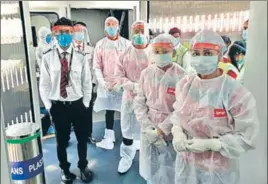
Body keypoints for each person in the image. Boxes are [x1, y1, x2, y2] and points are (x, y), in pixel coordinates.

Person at [171, 30, 259, 184]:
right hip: (186, 164)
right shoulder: (185, 85)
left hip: (217, 169)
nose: (200, 58)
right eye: (196, 53)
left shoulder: (234, 91)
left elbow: (248, 136)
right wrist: (177, 132)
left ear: (219, 55)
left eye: (207, 52)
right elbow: (177, 115)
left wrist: (213, 144)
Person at [39, 17, 93, 183]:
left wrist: (85, 103)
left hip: (78, 105)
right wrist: (49, 106)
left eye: (68, 32)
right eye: (61, 32)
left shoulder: (81, 56)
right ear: (55, 33)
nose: (64, 35)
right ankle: (64, 169)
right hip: (58, 106)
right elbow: (44, 85)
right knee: (61, 141)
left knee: (82, 138)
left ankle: (83, 166)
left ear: (72, 33)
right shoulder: (47, 57)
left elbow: (87, 82)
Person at [134, 33, 185, 184]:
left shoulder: (182, 76)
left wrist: (162, 130)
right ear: (152, 52)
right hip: (149, 129)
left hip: (171, 130)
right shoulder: (146, 73)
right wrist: (148, 127)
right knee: (151, 168)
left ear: (173, 52)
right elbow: (139, 102)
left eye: (165, 51)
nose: (161, 55)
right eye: (157, 51)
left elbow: (182, 109)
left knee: (171, 169)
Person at [115, 20, 151, 174]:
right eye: (136, 31)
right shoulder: (124, 53)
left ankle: (149, 161)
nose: (139, 35)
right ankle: (126, 157)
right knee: (128, 129)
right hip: (130, 98)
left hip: (150, 100)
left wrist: (145, 89)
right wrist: (134, 86)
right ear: (131, 33)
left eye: (142, 31)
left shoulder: (154, 53)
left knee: (148, 130)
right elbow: (119, 76)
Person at [93, 16, 131, 150]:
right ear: (105, 27)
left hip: (122, 84)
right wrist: (102, 83)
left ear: (118, 27)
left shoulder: (126, 44)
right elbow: (97, 66)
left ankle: (129, 138)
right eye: (108, 24)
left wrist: (123, 83)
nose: (111, 27)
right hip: (107, 84)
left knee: (126, 110)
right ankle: (109, 137)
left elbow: (130, 65)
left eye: (113, 24)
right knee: (109, 110)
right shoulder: (100, 44)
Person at [73, 21, 97, 144]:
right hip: (73, 87)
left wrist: (93, 84)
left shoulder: (91, 50)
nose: (79, 33)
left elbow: (94, 67)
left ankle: (88, 135)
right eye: (77, 31)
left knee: (87, 112)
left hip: (87, 86)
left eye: (82, 31)